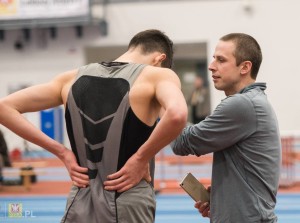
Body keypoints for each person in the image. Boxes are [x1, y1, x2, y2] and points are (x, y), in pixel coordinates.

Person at [0, 29, 187, 222]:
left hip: (81, 197)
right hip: (127, 197)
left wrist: (61, 152)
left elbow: (4, 107)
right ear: (160, 59)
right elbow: (177, 114)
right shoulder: (158, 76)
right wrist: (141, 158)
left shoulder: (70, 78)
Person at [171, 33, 281, 222]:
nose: (211, 66)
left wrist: (166, 95)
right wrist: (222, 201)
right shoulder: (253, 102)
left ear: (245, 67)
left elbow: (181, 142)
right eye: (214, 58)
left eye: (221, 60)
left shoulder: (243, 105)